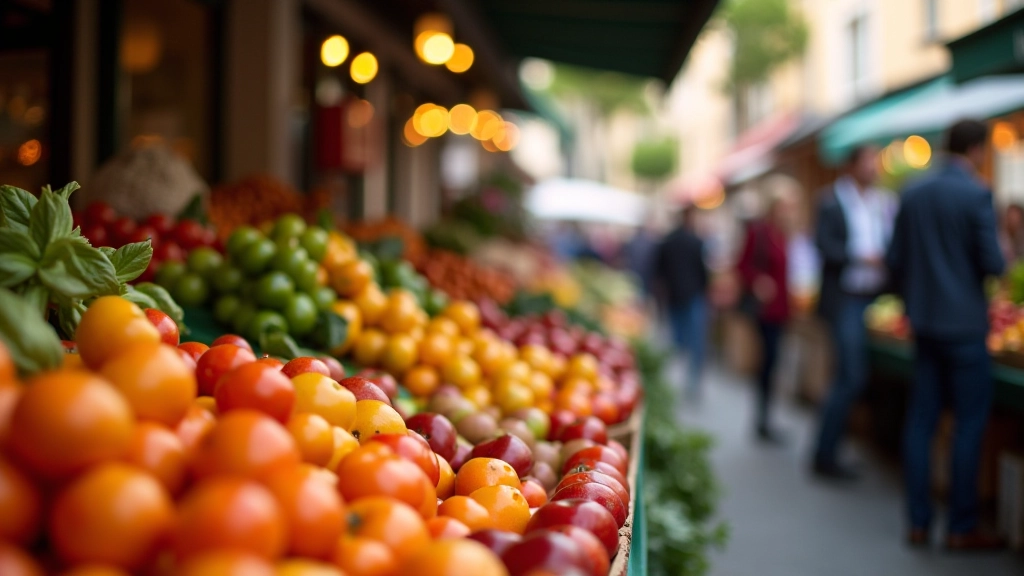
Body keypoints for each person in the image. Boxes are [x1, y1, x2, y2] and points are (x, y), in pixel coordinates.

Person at [886, 119, 1005, 550]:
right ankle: (961, 525)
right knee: (969, 425)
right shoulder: (976, 193)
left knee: (921, 423)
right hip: (966, 328)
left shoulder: (913, 193)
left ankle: (918, 522)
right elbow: (993, 263)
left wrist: (915, 301)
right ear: (976, 150)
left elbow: (894, 259)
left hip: (925, 324)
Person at [812, 145, 896, 479]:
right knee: (850, 376)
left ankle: (837, 448)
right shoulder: (831, 200)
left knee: (855, 376)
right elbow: (824, 246)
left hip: (875, 297)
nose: (874, 166)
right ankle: (825, 453)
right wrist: (861, 257)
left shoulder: (883, 202)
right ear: (852, 165)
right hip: (845, 297)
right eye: (868, 160)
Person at [737, 192, 792, 441]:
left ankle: (767, 418)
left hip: (782, 310)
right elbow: (742, 265)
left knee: (774, 362)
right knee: (768, 362)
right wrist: (758, 281)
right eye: (785, 205)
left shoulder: (785, 235)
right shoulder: (759, 232)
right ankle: (762, 420)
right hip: (765, 310)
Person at [652, 206, 709, 398]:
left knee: (677, 341)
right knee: (695, 343)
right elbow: (703, 272)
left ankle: (673, 382)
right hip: (692, 296)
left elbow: (658, 270)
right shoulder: (696, 241)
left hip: (674, 296)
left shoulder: (667, 240)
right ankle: (690, 385)